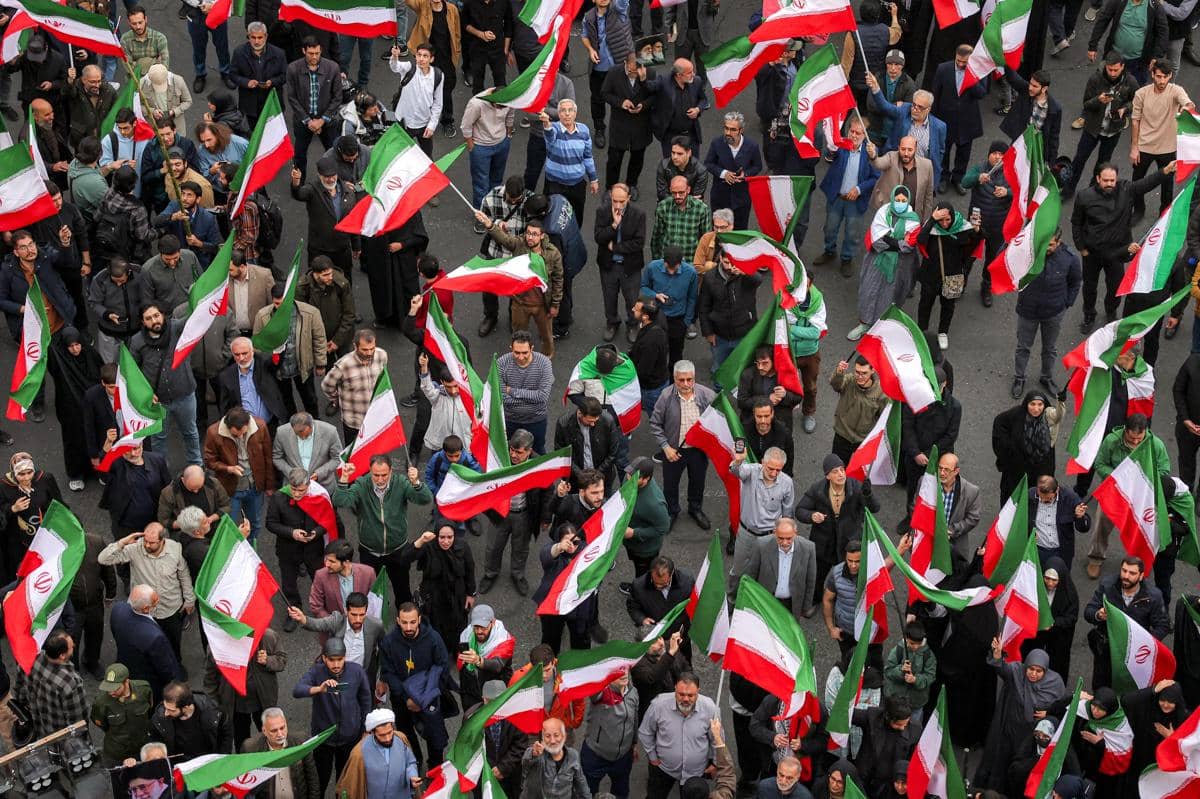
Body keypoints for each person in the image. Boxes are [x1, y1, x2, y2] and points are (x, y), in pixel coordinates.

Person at [1071, 164, 1176, 333]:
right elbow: (1076, 222)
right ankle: (1089, 315)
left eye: (1112, 180)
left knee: (1115, 287)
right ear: (1097, 179)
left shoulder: (1125, 189)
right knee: (1089, 287)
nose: (1109, 184)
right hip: (1092, 253)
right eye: (1105, 180)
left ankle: (1111, 311)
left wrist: (1164, 171)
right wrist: (1081, 247)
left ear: (1117, 179)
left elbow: (1146, 184)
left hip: (1117, 252)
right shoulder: (1084, 197)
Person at [333, 455, 430, 609]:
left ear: (391, 471)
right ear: (370, 471)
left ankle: (404, 618)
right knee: (369, 592)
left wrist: (416, 483)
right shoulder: (362, 484)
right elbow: (340, 501)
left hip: (398, 550)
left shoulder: (401, 483)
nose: (380, 479)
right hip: (369, 552)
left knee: (403, 592)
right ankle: (371, 618)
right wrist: (344, 478)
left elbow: (425, 499)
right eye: (376, 475)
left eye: (384, 475)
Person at [98, 521, 195, 662]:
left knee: (173, 645)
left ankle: (175, 666)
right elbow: (103, 559)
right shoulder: (135, 549)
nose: (147, 545)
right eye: (146, 541)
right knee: (144, 645)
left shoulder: (175, 549)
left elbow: (183, 574)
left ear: (162, 540)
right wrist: (122, 542)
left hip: (170, 609)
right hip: (145, 613)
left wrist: (189, 599)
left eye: (152, 543)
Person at [976, 645, 1069, 790]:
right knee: (1002, 762)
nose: (1033, 674)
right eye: (1031, 669)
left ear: (1045, 670)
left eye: (1039, 671)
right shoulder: (1017, 672)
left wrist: (1048, 712)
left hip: (1030, 736)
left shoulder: (1055, 683)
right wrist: (997, 655)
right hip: (1010, 728)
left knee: (1021, 767)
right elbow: (1002, 669)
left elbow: (1062, 707)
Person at [474, 213, 565, 357]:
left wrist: (555, 304)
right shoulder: (519, 244)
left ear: (542, 236)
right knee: (518, 336)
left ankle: (547, 357)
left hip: (543, 305)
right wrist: (489, 225)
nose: (530, 237)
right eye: (528, 233)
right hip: (520, 304)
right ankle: (519, 357)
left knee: (546, 336)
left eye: (534, 234)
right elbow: (504, 239)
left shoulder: (553, 254)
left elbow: (558, 279)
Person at [795, 453, 880, 607]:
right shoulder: (817, 489)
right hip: (824, 542)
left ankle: (840, 601)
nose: (841, 474)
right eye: (835, 471)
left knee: (847, 574)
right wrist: (811, 516)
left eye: (842, 469)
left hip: (848, 542)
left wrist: (868, 494)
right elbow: (800, 510)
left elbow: (874, 508)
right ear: (827, 476)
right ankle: (815, 599)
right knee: (819, 573)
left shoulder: (856, 487)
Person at [1089, 414, 1169, 573]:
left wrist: (1144, 480)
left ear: (1146, 431)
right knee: (1101, 524)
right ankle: (1095, 558)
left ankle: (1136, 564)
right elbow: (1100, 464)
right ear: (1125, 430)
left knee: (1140, 530)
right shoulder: (1111, 441)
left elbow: (1164, 470)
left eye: (1139, 438)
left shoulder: (1156, 445)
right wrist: (1120, 477)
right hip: (1115, 492)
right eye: (1132, 439)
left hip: (1141, 497)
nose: (1136, 442)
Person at [378, 602, 453, 769]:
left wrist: (424, 699)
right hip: (402, 701)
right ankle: (414, 764)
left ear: (419, 619)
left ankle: (435, 768)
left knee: (435, 737)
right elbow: (388, 672)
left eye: (412, 622)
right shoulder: (389, 642)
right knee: (406, 735)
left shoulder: (433, 639)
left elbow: (442, 669)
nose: (408, 627)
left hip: (429, 698)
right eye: (404, 622)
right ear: (398, 620)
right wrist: (407, 699)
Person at [293, 637, 373, 793]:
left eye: (340, 659)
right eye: (331, 660)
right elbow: (297, 690)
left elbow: (365, 701)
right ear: (324, 658)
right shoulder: (316, 671)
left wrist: (365, 729)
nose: (336, 664)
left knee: (344, 782)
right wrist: (319, 689)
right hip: (324, 739)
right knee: (320, 781)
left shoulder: (357, 671)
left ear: (345, 657)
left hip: (350, 738)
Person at [1011, 230, 1081, 398]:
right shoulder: (1027, 253)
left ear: (1059, 242)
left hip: (1053, 312)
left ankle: (1046, 377)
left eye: (1050, 245)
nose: (1046, 248)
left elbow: (1075, 282)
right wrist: (1011, 243)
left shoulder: (1070, 258)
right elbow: (1007, 258)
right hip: (1028, 309)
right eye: (1044, 244)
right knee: (1023, 347)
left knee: (1049, 348)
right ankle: (1019, 378)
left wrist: (1066, 303)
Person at [848, 185, 921, 342]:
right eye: (897, 200)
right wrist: (897, 242)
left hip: (899, 266)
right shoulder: (883, 213)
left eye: (903, 200)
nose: (900, 203)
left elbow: (908, 245)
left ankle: (882, 328)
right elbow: (877, 241)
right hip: (876, 262)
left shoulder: (913, 220)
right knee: (869, 291)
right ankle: (864, 324)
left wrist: (889, 239)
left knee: (890, 296)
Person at [1084, 556, 1169, 687]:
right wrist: (1098, 615)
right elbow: (1089, 611)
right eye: (1124, 571)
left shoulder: (1153, 596)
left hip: (1134, 655)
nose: (1126, 576)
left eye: (1132, 573)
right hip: (1107, 649)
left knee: (1130, 690)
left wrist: (1144, 644)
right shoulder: (1107, 585)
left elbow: (1163, 626)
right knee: (1101, 687)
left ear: (1141, 576)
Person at [650, 360, 715, 528]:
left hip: (698, 450)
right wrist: (665, 447)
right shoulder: (666, 396)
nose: (686, 384)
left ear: (694, 378)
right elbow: (655, 423)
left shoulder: (707, 395)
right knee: (670, 484)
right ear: (674, 379)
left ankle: (695, 509)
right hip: (674, 450)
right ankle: (672, 511)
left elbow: (717, 419)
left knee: (698, 482)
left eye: (689, 379)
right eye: (681, 380)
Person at [265, 468, 335, 625]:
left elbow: (328, 520)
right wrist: (292, 532)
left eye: (301, 491)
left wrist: (316, 533)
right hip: (288, 549)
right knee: (289, 584)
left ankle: (324, 608)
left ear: (309, 485)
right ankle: (294, 611)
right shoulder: (278, 497)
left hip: (313, 549)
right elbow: (270, 523)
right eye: (293, 489)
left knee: (321, 579)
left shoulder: (319, 496)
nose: (296, 494)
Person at [1065, 54, 1139, 199]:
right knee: (1079, 159)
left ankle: (1091, 193)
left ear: (1122, 67)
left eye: (1116, 70)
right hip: (1092, 129)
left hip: (1113, 131)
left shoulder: (1130, 81)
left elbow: (1136, 101)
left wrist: (1124, 109)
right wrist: (1098, 100)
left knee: (1102, 165)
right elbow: (1086, 104)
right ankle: (1068, 190)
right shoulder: (1095, 79)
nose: (1112, 73)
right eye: (1110, 69)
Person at [203, 627, 286, 751]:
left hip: (263, 701)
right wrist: (215, 707)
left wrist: (268, 660)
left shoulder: (267, 636)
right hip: (235, 705)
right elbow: (210, 679)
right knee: (241, 739)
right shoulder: (217, 645)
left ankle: (272, 756)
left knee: (271, 734)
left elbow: (282, 660)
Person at [914, 203, 983, 350]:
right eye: (941, 220)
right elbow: (920, 240)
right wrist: (932, 220)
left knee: (948, 306)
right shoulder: (931, 228)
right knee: (925, 304)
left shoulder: (962, 228)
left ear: (953, 217)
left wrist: (977, 231)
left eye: (948, 220)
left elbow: (971, 248)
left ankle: (943, 332)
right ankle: (922, 331)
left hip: (953, 275)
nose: (944, 224)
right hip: (931, 275)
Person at [1130, 60, 1194, 216]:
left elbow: (1188, 103)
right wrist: (1134, 147)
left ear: (1170, 75)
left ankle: (1164, 214)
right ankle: (1138, 210)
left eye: (1165, 77)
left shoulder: (1176, 90)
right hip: (1144, 146)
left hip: (1167, 148)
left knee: (1167, 185)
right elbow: (1135, 120)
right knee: (1137, 182)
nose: (1162, 81)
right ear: (1152, 74)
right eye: (1158, 76)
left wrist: (1187, 107)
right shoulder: (1141, 94)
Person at [252, 284, 328, 417]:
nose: (280, 307)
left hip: (302, 366)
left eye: (283, 303)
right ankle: (291, 424)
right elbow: (257, 343)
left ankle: (314, 421)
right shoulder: (263, 316)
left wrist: (321, 363)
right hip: (278, 369)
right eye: (276, 304)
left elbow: (319, 339)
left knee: (310, 398)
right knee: (285, 401)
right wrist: (269, 357)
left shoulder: (310, 313)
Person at [203, 406, 275, 544]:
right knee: (229, 525)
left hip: (255, 485)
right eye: (236, 435)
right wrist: (228, 468)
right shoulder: (214, 432)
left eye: (244, 433)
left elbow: (268, 457)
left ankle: (251, 548)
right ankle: (233, 551)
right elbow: (209, 461)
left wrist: (269, 485)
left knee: (255, 523)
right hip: (230, 488)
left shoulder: (260, 426)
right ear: (228, 427)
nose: (241, 437)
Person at [816, 119, 879, 276]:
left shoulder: (870, 153)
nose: (854, 135)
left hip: (856, 202)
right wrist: (831, 146)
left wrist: (859, 189)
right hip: (837, 197)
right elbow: (831, 154)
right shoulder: (840, 146)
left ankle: (846, 258)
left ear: (865, 135)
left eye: (858, 133)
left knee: (852, 233)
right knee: (830, 228)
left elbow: (875, 177)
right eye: (852, 131)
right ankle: (829, 251)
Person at [402, 521, 477, 651]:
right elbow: (405, 558)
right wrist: (421, 540)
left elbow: (470, 570)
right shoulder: (428, 547)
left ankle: (456, 650)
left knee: (457, 625)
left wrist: (471, 594)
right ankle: (437, 651)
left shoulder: (463, 547)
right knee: (435, 627)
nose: (446, 541)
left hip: (456, 596)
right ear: (436, 535)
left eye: (450, 537)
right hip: (434, 597)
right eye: (442, 537)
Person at [638, 673, 717, 795]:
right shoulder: (658, 705)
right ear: (675, 689)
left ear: (698, 691)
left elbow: (717, 739)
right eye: (681, 694)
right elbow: (645, 731)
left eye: (690, 695)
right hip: (663, 769)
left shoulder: (710, 708)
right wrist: (652, 757)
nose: (685, 699)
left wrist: (715, 763)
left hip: (695, 773)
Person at [728, 446, 795, 581]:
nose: (774, 473)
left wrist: (785, 537)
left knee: (765, 573)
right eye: (770, 468)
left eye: (778, 470)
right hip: (747, 534)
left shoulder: (787, 483)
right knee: (737, 572)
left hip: (770, 537)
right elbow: (735, 470)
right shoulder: (751, 471)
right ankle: (732, 595)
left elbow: (787, 514)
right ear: (763, 462)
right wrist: (738, 461)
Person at [929, 46, 988, 193]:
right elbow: (935, 93)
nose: (960, 64)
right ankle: (943, 177)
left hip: (967, 121)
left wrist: (970, 76)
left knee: (963, 153)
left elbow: (981, 93)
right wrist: (932, 119)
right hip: (945, 119)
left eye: (964, 62)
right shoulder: (943, 69)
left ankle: (958, 178)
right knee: (944, 151)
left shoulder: (979, 71)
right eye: (958, 61)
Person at [110, 586, 185, 702]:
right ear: (146, 609)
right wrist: (176, 684)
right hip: (148, 681)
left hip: (127, 667)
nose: (158, 601)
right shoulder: (154, 637)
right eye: (155, 601)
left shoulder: (118, 609)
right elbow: (166, 668)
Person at [290, 158, 361, 278]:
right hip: (320, 250)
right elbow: (299, 194)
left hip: (342, 249)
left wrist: (356, 245)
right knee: (318, 282)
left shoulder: (348, 191)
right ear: (319, 175)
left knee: (343, 281)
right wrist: (296, 183)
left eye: (333, 175)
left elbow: (353, 220)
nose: (331, 179)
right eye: (327, 177)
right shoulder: (312, 190)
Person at [595, 184, 647, 343]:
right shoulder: (602, 211)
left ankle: (633, 324)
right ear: (611, 198)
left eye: (621, 201)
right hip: (608, 265)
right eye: (614, 201)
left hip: (630, 267)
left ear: (629, 198)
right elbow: (599, 237)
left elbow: (639, 242)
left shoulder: (638, 214)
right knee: (609, 298)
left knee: (632, 299)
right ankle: (612, 322)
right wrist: (614, 226)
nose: (617, 205)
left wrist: (616, 248)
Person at [285, 38, 343, 180]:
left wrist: (322, 121)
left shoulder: (332, 68)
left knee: (333, 153)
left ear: (321, 51)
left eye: (317, 53)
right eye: (311, 53)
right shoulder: (293, 69)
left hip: (327, 122)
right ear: (303, 51)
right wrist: (308, 121)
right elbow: (292, 98)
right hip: (303, 121)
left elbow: (337, 98)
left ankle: (333, 183)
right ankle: (299, 184)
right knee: (299, 155)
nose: (314, 57)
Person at [698, 251, 762, 376]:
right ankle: (718, 387)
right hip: (720, 335)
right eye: (727, 262)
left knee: (743, 368)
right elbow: (704, 307)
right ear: (721, 258)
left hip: (744, 333)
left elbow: (758, 279)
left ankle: (740, 387)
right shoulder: (710, 278)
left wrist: (745, 271)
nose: (730, 267)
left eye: (733, 262)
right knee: (719, 368)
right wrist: (708, 332)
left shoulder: (746, 275)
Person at [13, 631, 87, 739]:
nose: (74, 646)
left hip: (35, 726)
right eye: (71, 647)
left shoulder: (29, 658)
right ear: (62, 655)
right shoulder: (70, 683)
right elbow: (77, 723)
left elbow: (20, 691)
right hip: (58, 737)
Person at [336, 708, 422, 799]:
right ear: (372, 732)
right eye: (382, 735)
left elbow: (410, 762)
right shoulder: (359, 754)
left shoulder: (401, 739)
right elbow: (351, 785)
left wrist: (412, 776)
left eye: (390, 732)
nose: (388, 738)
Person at [742, 518, 817, 622]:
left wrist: (806, 607)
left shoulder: (808, 548)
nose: (785, 543)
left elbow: (810, 581)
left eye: (789, 538)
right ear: (774, 533)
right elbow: (751, 575)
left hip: (792, 604)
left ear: (795, 533)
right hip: (766, 601)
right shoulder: (761, 545)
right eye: (780, 538)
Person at [992, 391, 1062, 500]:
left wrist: (1061, 402)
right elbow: (999, 423)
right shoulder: (1017, 414)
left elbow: (1059, 415)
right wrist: (1008, 449)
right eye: (1032, 404)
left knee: (1036, 498)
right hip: (1017, 470)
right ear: (1026, 404)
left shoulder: (1048, 418)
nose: (1036, 409)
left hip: (1040, 469)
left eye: (1040, 404)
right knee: (1013, 497)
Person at [322, 330, 389, 441]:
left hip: (374, 416)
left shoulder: (382, 355)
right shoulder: (343, 365)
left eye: (372, 348)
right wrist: (337, 399)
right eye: (365, 349)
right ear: (355, 346)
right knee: (352, 448)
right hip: (354, 420)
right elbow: (327, 385)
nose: (369, 353)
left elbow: (383, 377)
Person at [242, 708, 321, 798]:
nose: (280, 734)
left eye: (282, 728)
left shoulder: (301, 742)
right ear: (264, 731)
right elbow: (245, 786)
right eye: (274, 730)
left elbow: (313, 779)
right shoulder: (250, 749)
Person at [640, 246, 699, 369]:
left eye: (675, 268)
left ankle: (673, 377)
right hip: (656, 317)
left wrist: (687, 321)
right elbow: (644, 287)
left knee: (676, 354)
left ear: (681, 262)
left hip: (678, 320)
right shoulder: (652, 267)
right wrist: (655, 295)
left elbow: (692, 298)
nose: (671, 272)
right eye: (668, 268)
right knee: (654, 351)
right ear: (664, 261)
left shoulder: (691, 273)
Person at [1087, 0, 1169, 85]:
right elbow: (1103, 21)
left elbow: (1163, 32)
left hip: (1138, 62)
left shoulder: (1154, 6)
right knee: (1103, 86)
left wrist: (1156, 56)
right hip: (1114, 57)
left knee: (1134, 89)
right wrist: (1092, 46)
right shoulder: (1118, 2)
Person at [1021, 557, 1079, 678]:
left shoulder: (1070, 594)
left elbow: (1071, 618)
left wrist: (1053, 623)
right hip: (1037, 633)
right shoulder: (1036, 588)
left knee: (1057, 662)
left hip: (1058, 636)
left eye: (1054, 580)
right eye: (1047, 578)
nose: (1050, 583)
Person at [498, 331, 555, 452]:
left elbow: (542, 397)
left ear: (532, 348)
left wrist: (512, 391)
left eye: (525, 353)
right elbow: (501, 397)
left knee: (537, 451)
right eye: (516, 352)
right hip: (510, 420)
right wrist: (532, 399)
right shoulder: (501, 363)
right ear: (511, 348)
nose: (520, 357)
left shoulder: (544, 363)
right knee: (509, 451)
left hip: (536, 420)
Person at [555, 396, 627, 491]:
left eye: (595, 420)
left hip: (603, 477)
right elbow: (561, 454)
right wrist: (580, 474)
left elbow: (613, 452)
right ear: (580, 413)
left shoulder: (608, 421)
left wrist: (597, 474)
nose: (593, 424)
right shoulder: (564, 423)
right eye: (590, 421)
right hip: (576, 480)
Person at [602, 55, 653, 190]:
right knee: (614, 160)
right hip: (620, 125)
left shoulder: (650, 72)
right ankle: (610, 187)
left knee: (637, 159)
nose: (634, 75)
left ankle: (632, 185)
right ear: (625, 63)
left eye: (636, 72)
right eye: (631, 71)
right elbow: (605, 93)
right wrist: (621, 102)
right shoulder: (614, 72)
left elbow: (654, 95)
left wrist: (643, 105)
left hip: (641, 125)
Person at [91, 663, 155, 767]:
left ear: (126, 681)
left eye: (116, 688)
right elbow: (100, 723)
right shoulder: (101, 703)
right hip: (117, 752)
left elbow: (150, 710)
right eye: (108, 688)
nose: (111, 692)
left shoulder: (143, 689)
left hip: (141, 747)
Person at [388, 43, 445, 159]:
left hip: (424, 124)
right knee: (399, 156)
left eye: (425, 56)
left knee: (427, 157)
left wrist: (432, 125)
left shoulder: (438, 75)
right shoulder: (409, 68)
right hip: (404, 122)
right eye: (419, 55)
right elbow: (395, 67)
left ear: (431, 59)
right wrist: (394, 56)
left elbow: (438, 103)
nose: (421, 59)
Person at [150, 680, 232, 759]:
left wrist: (223, 759)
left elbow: (225, 735)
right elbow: (155, 741)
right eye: (165, 707)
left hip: (208, 761)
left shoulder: (213, 712)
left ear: (186, 707)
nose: (166, 713)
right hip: (179, 764)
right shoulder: (160, 718)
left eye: (171, 710)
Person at [828, 357, 888, 465]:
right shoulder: (849, 380)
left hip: (863, 440)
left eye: (864, 373)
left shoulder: (881, 392)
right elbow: (836, 385)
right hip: (842, 435)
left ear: (873, 370)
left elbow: (883, 418)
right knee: (838, 467)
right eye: (857, 372)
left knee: (859, 472)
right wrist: (839, 373)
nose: (860, 377)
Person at [218, 337, 287, 429]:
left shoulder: (264, 364)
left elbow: (276, 361)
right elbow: (225, 406)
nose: (241, 358)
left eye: (244, 353)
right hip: (245, 428)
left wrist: (280, 347)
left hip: (271, 424)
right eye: (237, 354)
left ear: (252, 351)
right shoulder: (226, 376)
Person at [463, 90, 516, 208]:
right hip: (481, 147)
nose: (501, 110)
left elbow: (510, 116)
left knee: (497, 180)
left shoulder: (509, 99)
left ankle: (494, 209)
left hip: (502, 143)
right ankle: (481, 212)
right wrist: (471, 146)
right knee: (481, 185)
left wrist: (508, 135)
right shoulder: (476, 104)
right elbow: (466, 126)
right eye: (499, 107)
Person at [229, 22, 287, 129]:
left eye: (260, 37)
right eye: (253, 37)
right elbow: (233, 74)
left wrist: (272, 82)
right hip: (250, 104)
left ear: (266, 36)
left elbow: (284, 76)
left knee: (272, 131)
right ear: (248, 36)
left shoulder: (279, 54)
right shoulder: (239, 52)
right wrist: (246, 82)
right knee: (255, 129)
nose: (256, 41)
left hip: (271, 103)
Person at [1000, 68, 1063, 164]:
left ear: (1044, 89)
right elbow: (1013, 77)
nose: (1030, 87)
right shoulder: (1025, 90)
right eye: (1030, 83)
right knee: (1010, 166)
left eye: (1035, 86)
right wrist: (1006, 61)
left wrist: (1051, 162)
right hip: (1020, 141)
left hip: (1036, 148)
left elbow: (1054, 136)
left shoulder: (1055, 109)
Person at [646, 60, 709, 156]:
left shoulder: (696, 81)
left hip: (691, 134)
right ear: (679, 75)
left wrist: (698, 109)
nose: (693, 74)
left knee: (693, 163)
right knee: (671, 163)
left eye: (693, 71)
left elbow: (703, 100)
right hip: (670, 136)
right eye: (689, 72)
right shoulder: (663, 81)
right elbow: (649, 88)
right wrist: (643, 78)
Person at [272, 411, 344, 493]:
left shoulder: (330, 431)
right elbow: (277, 458)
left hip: (323, 487)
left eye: (306, 435)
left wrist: (319, 473)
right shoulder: (282, 432)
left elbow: (338, 458)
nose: (302, 438)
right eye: (298, 435)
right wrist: (291, 473)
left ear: (311, 425)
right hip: (294, 489)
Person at [522, 716, 591, 799]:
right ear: (542, 738)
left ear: (564, 736)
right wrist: (533, 753)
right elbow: (525, 767)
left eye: (556, 735)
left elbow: (581, 782)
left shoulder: (573, 755)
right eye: (547, 736)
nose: (552, 741)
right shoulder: (537, 754)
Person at [308, 539, 377, 620]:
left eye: (332, 561)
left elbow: (374, 602)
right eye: (326, 559)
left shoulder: (368, 573)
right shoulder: (320, 576)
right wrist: (334, 623)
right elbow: (316, 606)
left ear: (346, 563)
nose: (327, 564)